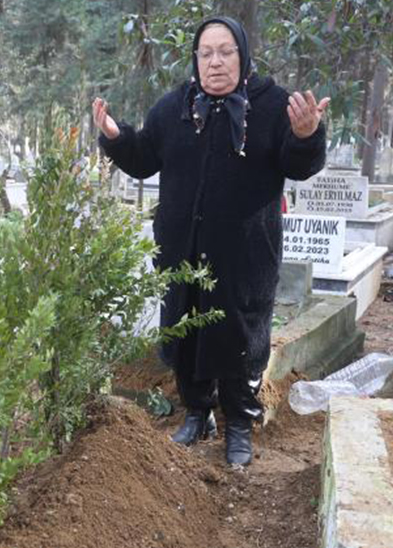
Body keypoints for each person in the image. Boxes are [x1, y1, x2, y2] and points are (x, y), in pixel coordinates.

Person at [93, 16, 328, 468]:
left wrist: (305, 135)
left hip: (244, 254)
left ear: (242, 55)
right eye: (206, 53)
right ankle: (197, 412)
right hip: (182, 249)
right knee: (186, 326)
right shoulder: (173, 107)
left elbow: (299, 166)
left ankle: (239, 421)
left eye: (225, 52)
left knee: (238, 333)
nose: (215, 62)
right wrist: (116, 136)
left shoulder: (273, 106)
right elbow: (144, 159)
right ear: (195, 59)